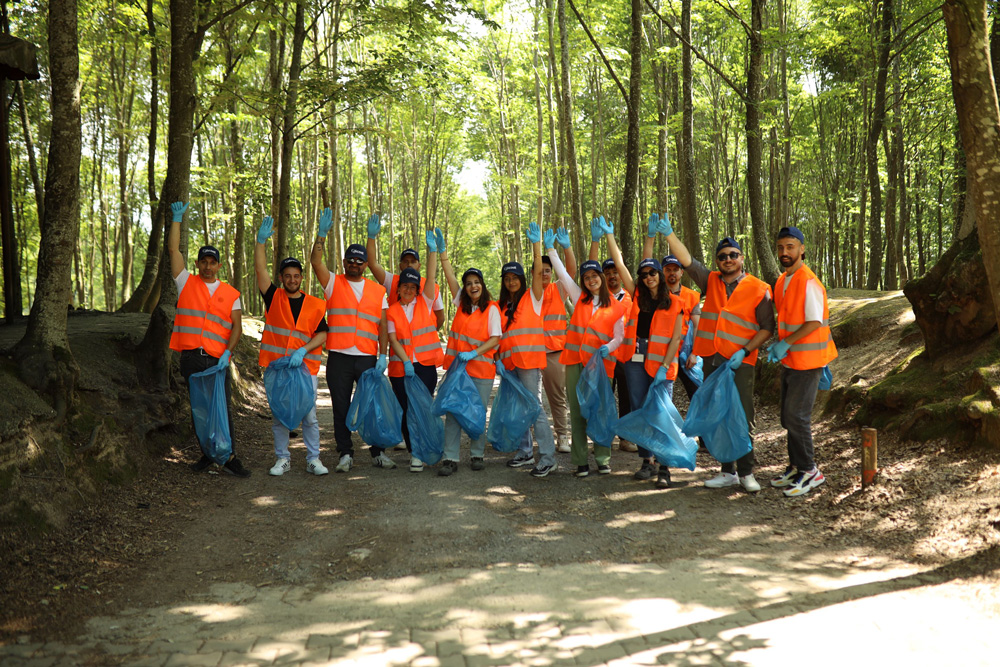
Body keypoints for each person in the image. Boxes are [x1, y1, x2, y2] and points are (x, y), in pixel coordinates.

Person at [663, 216, 775, 493]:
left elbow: (767, 328)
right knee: (720, 414)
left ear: (742, 257)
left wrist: (745, 351)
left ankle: (747, 471)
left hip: (741, 362)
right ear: (717, 261)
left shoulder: (759, 288)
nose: (728, 259)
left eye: (733, 255)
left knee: (743, 415)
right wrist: (669, 235)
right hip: (712, 360)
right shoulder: (710, 280)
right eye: (723, 256)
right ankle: (727, 471)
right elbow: (687, 261)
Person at [167, 201, 250, 477]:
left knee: (222, 407)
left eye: (212, 262)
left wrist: (229, 353)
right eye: (203, 261)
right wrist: (176, 219)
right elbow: (173, 250)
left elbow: (236, 327)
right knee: (199, 408)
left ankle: (229, 456)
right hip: (191, 357)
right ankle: (207, 453)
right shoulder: (186, 283)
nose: (208, 266)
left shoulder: (231, 293)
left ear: (219, 265)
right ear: (198, 263)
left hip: (217, 359)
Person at [310, 208, 393, 473]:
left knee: (372, 406)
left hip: (368, 357)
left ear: (366, 264)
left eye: (360, 261)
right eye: (350, 260)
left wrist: (383, 355)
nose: (355, 264)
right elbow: (315, 263)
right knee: (341, 407)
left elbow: (382, 325)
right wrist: (321, 235)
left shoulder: (378, 290)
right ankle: (345, 453)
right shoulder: (333, 282)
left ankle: (378, 452)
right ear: (344, 262)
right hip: (339, 357)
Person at [605, 221, 684, 489]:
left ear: (661, 275)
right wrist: (609, 235)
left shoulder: (675, 303)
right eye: (645, 274)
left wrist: (664, 364)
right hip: (635, 362)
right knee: (640, 410)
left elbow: (675, 338)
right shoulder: (637, 295)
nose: (649, 276)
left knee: (661, 413)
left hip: (662, 365)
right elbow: (620, 263)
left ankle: (665, 466)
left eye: (653, 273)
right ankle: (646, 461)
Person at [547, 224, 626, 477]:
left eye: (595, 275)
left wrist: (608, 348)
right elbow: (561, 273)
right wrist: (552, 249)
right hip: (575, 363)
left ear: (601, 277)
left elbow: (619, 336)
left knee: (600, 408)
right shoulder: (579, 297)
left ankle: (603, 458)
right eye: (586, 277)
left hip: (603, 364)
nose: (591, 280)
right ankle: (580, 461)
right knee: (578, 409)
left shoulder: (616, 305)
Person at [254, 216, 329, 477]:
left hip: (305, 368)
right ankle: (282, 460)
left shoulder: (315, 304)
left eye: (296, 275)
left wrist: (302, 350)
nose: (292, 279)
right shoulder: (273, 296)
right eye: (287, 276)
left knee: (309, 417)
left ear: (301, 278)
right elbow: (260, 271)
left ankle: (313, 459)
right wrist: (260, 243)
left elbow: (323, 334)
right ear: (282, 278)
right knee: (279, 416)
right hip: (278, 369)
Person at [768, 226, 838, 497]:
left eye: (791, 247)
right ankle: (796, 466)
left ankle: (810, 470)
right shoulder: (783, 280)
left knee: (797, 417)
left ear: (802, 249)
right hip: (791, 360)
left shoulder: (808, 280)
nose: (785, 252)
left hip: (808, 361)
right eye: (781, 247)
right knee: (788, 418)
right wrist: (781, 345)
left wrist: (785, 342)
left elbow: (813, 322)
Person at [438, 231, 502, 475]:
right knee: (454, 412)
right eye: (468, 283)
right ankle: (450, 458)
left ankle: (477, 455)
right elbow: (450, 276)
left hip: (481, 371)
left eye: (477, 282)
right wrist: (443, 253)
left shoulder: (492, 309)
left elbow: (496, 338)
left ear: (482, 285)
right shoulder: (462, 306)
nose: (472, 286)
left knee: (476, 412)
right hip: (458, 370)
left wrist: (474, 353)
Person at [499, 223, 558, 478]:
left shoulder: (532, 297)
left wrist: (537, 247)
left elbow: (537, 272)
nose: (512, 281)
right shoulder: (502, 305)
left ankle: (548, 457)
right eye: (507, 278)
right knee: (521, 408)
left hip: (530, 362)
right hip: (510, 364)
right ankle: (525, 452)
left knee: (534, 408)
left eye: (516, 277)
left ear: (523, 279)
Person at [385, 231, 443, 473]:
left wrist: (432, 251)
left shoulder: (425, 302)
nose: (408, 290)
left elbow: (430, 276)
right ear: (398, 289)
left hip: (425, 367)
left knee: (423, 408)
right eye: (404, 286)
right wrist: (406, 361)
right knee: (407, 410)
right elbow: (392, 339)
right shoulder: (392, 310)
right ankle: (415, 453)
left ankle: (428, 445)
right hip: (401, 368)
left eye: (412, 286)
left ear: (417, 289)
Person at [589, 218, 637, 453]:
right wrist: (595, 240)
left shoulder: (631, 295)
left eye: (614, 271)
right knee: (604, 397)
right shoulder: (599, 296)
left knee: (627, 396)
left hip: (625, 355)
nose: (611, 276)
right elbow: (589, 266)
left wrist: (610, 237)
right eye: (607, 272)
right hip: (604, 354)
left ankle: (625, 437)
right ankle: (602, 436)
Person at [540, 227, 576, 453]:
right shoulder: (528, 293)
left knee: (557, 397)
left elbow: (570, 272)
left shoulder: (558, 289)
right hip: (532, 354)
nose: (544, 274)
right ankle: (529, 439)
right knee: (529, 400)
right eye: (540, 270)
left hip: (554, 353)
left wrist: (566, 247)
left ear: (552, 273)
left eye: (547, 270)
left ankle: (563, 435)